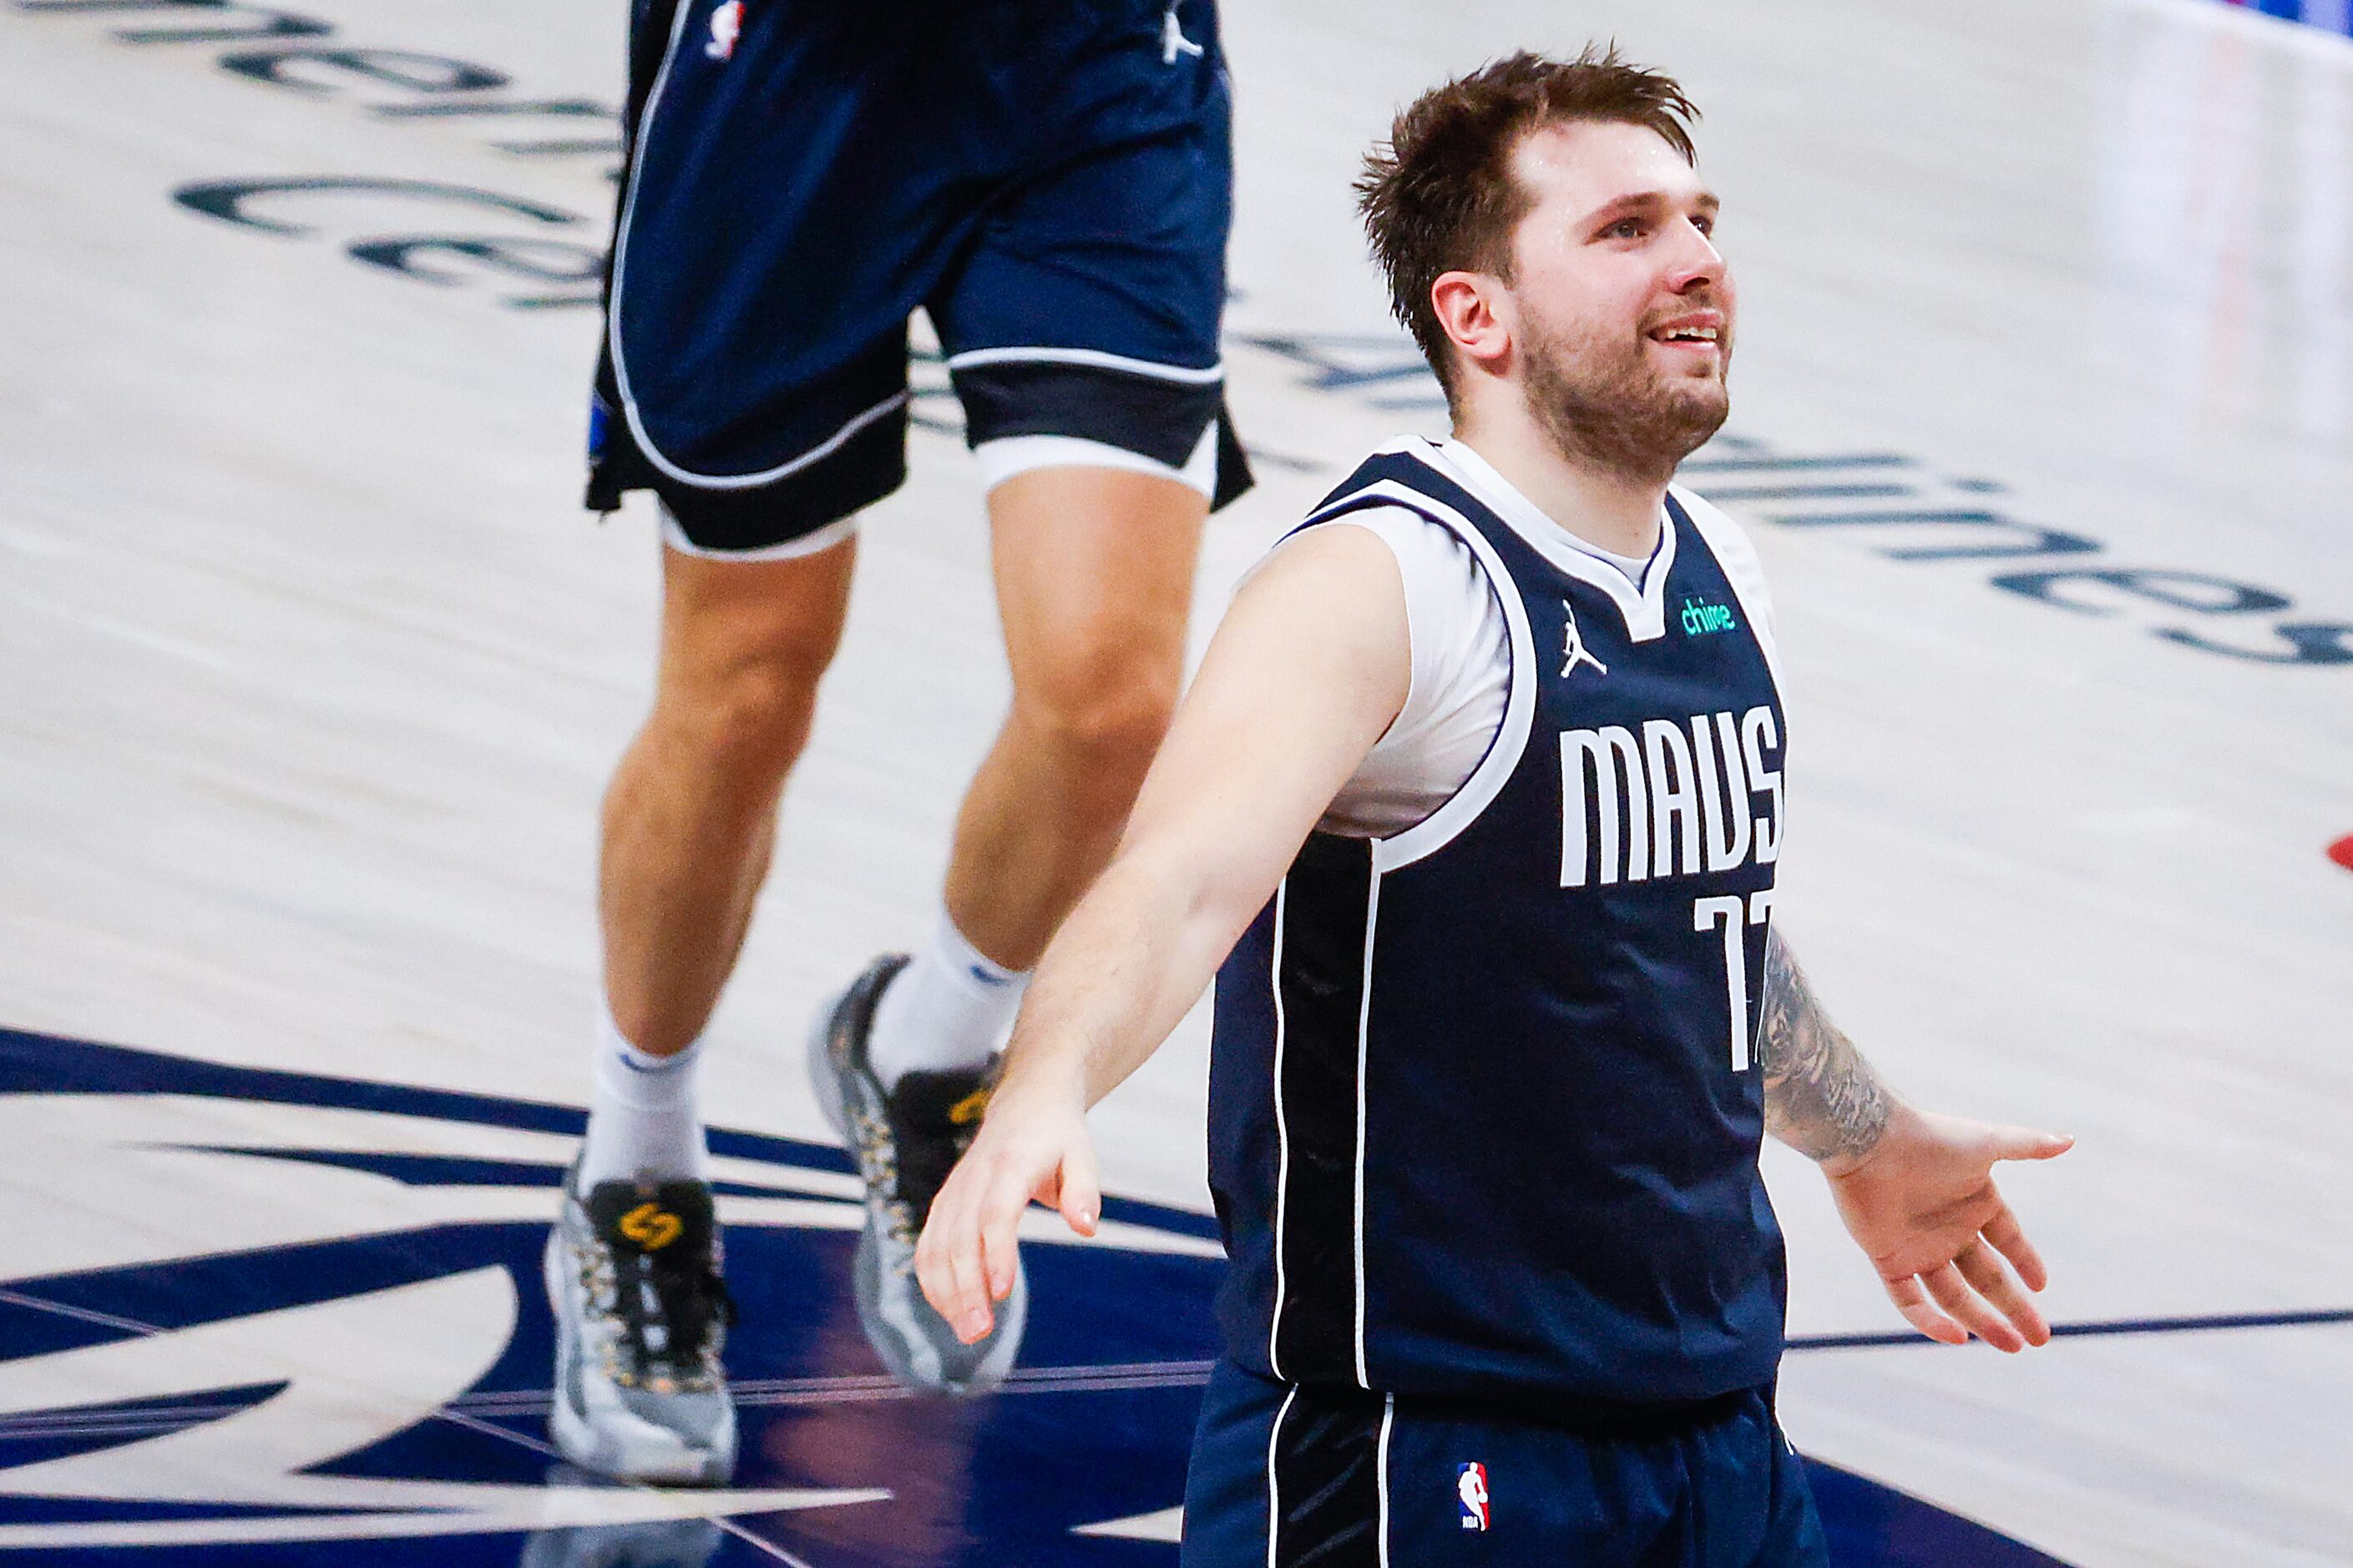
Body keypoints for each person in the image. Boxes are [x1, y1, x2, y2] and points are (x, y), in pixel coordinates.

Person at [913, 48, 2072, 1563]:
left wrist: (1862, 1136)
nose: (1698, 262)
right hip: (1418, 1454)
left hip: (1716, 1432)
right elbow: (1180, 879)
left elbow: (1688, 936)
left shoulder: (1717, 570)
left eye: (1699, 220)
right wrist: (1045, 1082)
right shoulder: (1381, 581)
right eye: (1626, 229)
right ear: (1478, 314)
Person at [542, 0, 1252, 1485]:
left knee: (1112, 704)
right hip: (795, 82)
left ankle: (925, 1046)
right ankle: (637, 1162)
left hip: (1096, 80)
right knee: (745, 687)